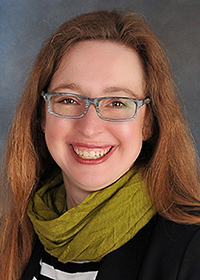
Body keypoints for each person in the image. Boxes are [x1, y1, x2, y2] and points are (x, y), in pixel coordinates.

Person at [0, 9, 200, 280]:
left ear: (148, 123)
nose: (90, 127)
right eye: (69, 100)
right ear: (41, 116)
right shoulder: (15, 234)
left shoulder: (192, 248)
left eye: (117, 102)